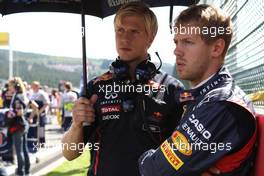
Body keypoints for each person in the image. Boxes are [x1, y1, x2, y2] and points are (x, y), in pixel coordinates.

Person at [62, 2, 184, 176]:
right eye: (120, 30)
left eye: (134, 31)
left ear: (150, 37)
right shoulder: (96, 87)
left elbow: (184, 153)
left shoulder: (171, 88)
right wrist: (76, 125)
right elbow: (70, 154)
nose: (125, 39)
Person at [139, 4, 257, 176]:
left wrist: (147, 159)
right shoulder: (205, 95)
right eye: (176, 42)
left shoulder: (221, 104)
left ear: (216, 48)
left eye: (187, 42)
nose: (176, 51)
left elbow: (153, 171)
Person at [7, 77, 30, 176]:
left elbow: (19, 112)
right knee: (24, 149)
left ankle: (21, 172)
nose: (9, 88)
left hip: (18, 125)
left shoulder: (17, 96)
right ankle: (27, 170)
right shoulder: (22, 95)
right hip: (23, 124)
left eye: (10, 85)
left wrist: (10, 114)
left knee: (19, 150)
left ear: (15, 86)